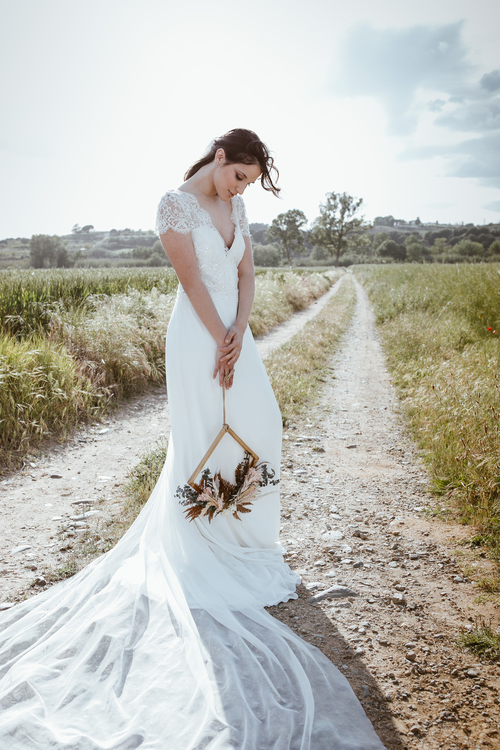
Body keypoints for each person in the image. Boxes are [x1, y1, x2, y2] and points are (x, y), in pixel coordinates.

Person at [0, 129, 385, 749]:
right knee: (206, 435)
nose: (241, 190)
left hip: (235, 328)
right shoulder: (172, 206)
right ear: (219, 158)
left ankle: (247, 536)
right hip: (197, 332)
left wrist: (242, 331)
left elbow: (247, 272)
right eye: (239, 177)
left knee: (262, 426)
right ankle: (204, 539)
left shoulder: (238, 206)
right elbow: (193, 282)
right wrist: (220, 337)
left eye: (250, 184)